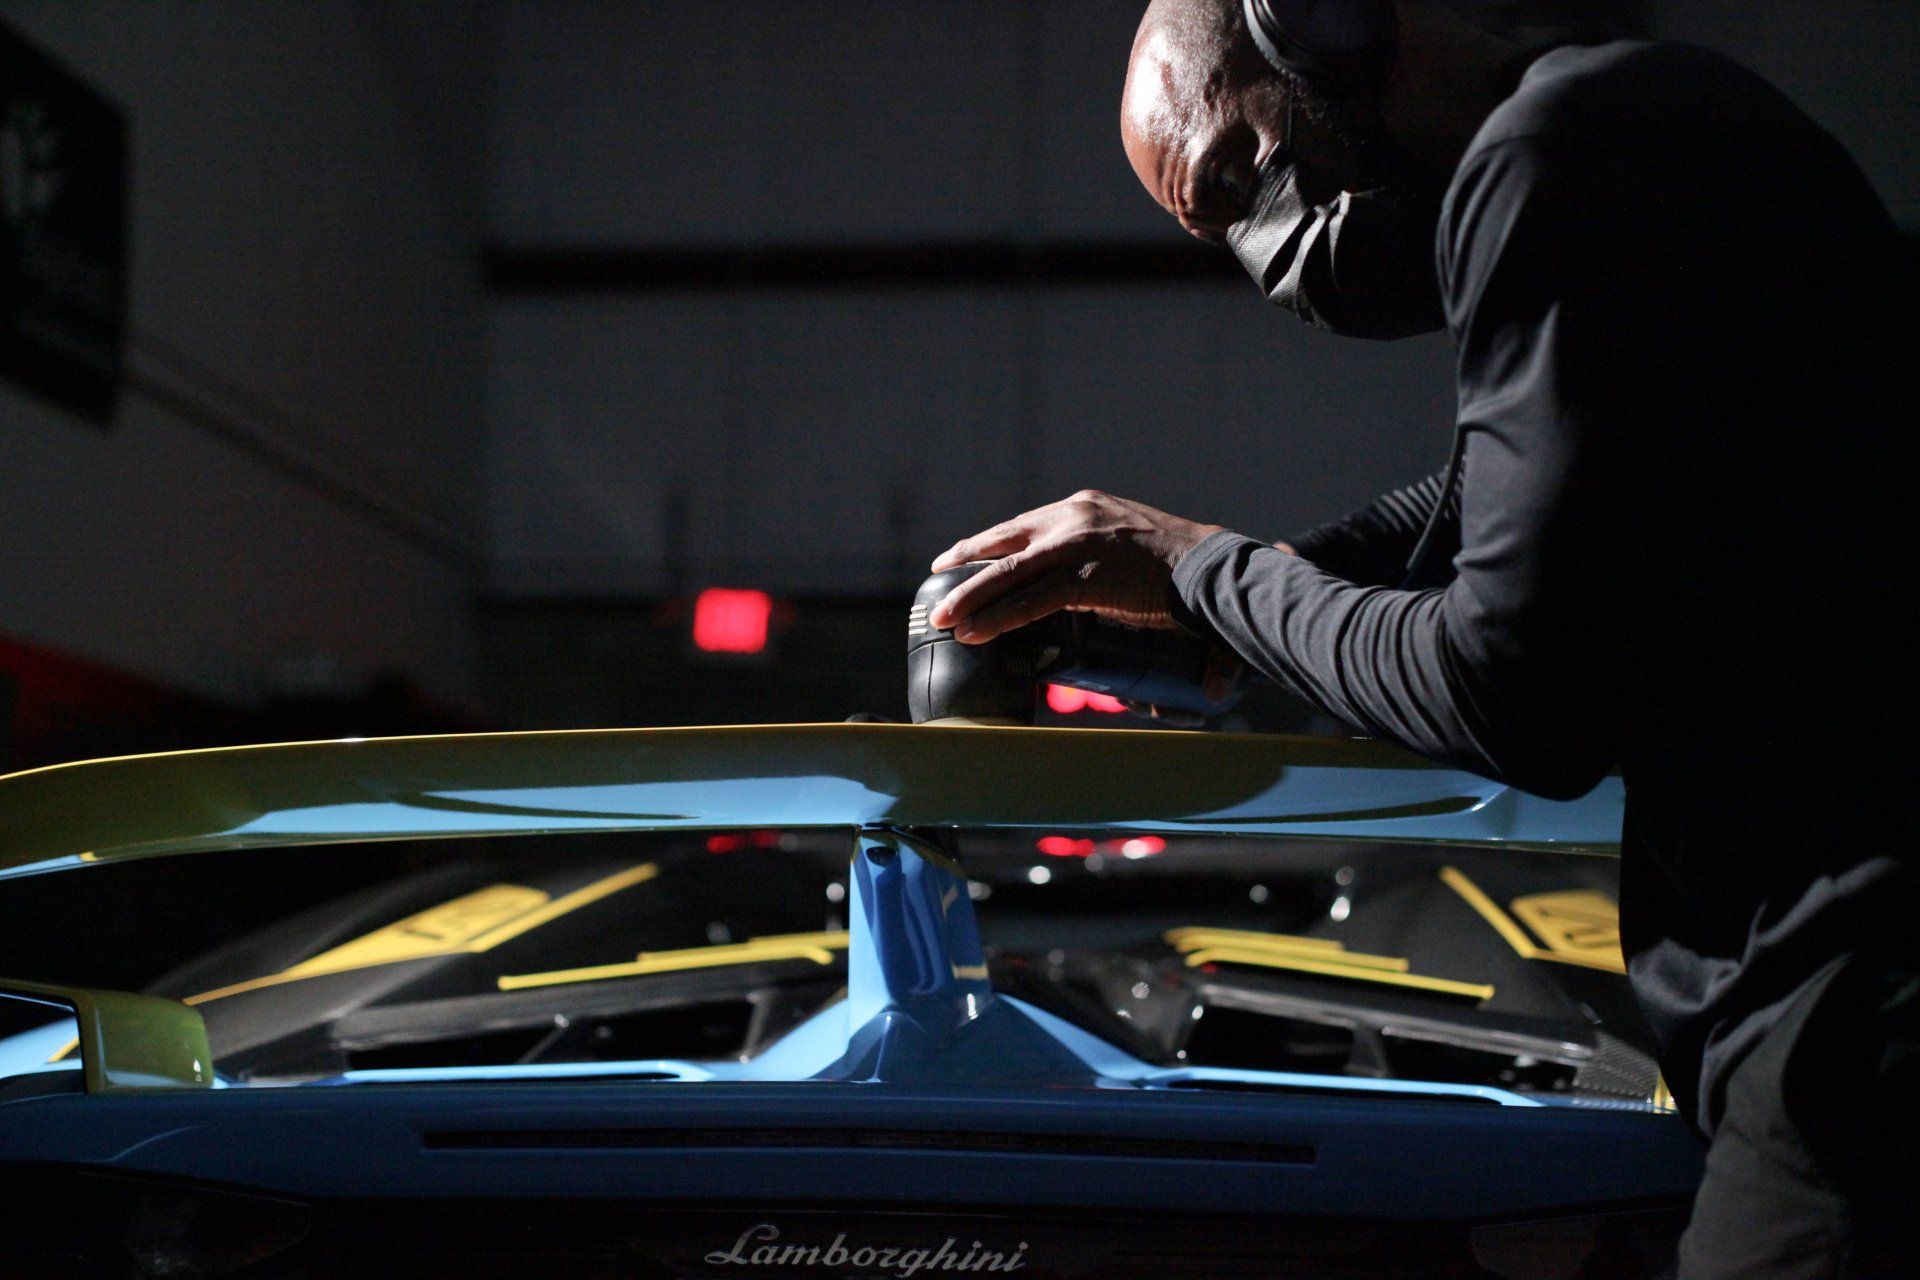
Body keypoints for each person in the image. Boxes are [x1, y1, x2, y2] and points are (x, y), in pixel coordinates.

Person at [926, 1, 1919, 1274]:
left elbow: (1510, 687)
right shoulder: (1665, 115)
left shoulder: (1553, 152)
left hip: (1852, 1024)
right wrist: (1275, 589)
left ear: (1320, 28)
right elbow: (1509, 501)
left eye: (1239, 176)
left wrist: (1203, 570)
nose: (1266, 256)